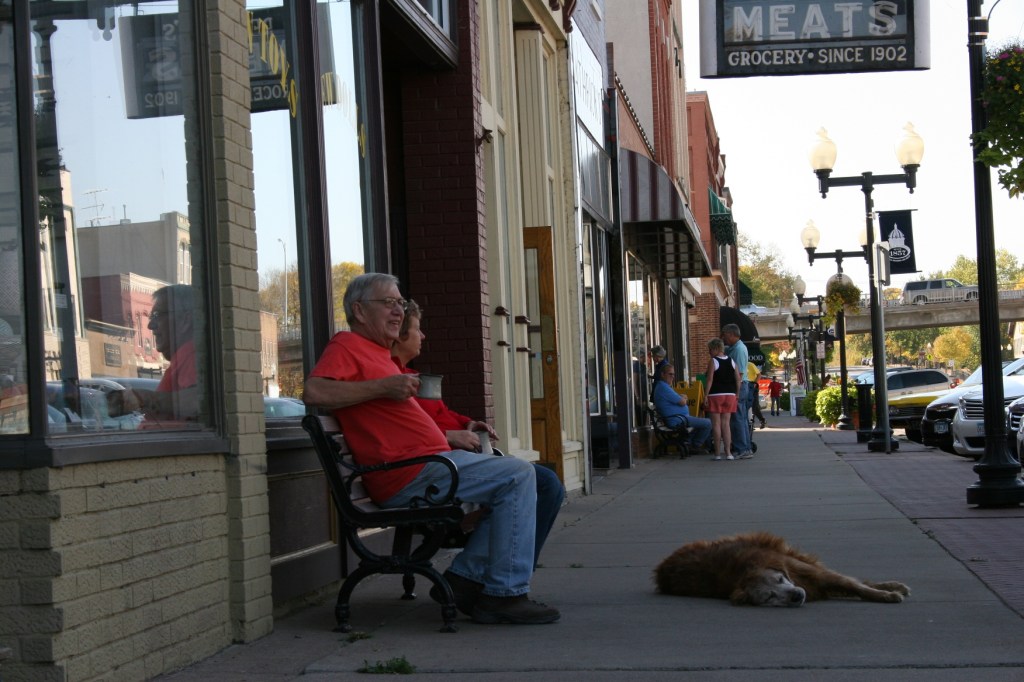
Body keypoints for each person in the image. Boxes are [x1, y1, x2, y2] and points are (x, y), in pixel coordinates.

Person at [303, 273, 559, 625]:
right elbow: (314, 392)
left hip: (429, 466)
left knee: (532, 479)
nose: (398, 311)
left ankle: (467, 578)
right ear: (359, 311)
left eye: (401, 303)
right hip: (407, 474)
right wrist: (382, 387)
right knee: (517, 475)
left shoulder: (379, 353)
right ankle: (504, 593)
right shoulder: (346, 345)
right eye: (388, 303)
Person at [391, 300, 565, 569]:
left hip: (446, 463)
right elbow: (405, 428)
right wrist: (449, 435)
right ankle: (495, 573)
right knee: (541, 483)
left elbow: (442, 413)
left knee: (544, 483)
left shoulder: (414, 376)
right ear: (400, 336)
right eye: (417, 329)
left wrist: (468, 423)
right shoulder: (395, 381)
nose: (423, 336)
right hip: (431, 469)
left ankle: (499, 571)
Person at [127, 284, 199, 426]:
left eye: (157, 315)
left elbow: (197, 402)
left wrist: (141, 398)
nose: (150, 326)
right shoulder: (183, 360)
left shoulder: (192, 357)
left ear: (185, 320)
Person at [651, 363, 712, 452]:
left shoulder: (664, 386)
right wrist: (683, 398)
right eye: (670, 374)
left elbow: (679, 398)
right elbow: (682, 402)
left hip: (680, 418)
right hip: (677, 420)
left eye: (673, 374)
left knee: (698, 423)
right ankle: (695, 446)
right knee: (708, 423)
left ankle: (687, 443)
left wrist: (682, 397)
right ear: (662, 374)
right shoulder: (663, 387)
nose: (673, 376)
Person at [702, 338, 741, 461]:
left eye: (710, 349)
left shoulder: (713, 361)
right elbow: (738, 379)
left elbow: (709, 380)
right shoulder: (732, 361)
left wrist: (705, 395)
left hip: (715, 395)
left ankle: (718, 453)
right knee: (726, 424)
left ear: (716, 348)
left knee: (716, 424)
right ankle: (728, 452)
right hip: (730, 395)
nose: (709, 352)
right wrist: (737, 393)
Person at [721, 324, 753, 458]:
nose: (723, 338)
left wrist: (737, 393)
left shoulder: (739, 350)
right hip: (741, 385)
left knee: (738, 419)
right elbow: (723, 352)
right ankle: (745, 447)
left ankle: (742, 449)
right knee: (741, 418)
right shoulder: (734, 348)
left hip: (739, 385)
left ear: (731, 334)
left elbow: (739, 374)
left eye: (725, 335)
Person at [747, 361, 767, 429]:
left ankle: (762, 420)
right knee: (746, 405)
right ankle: (749, 422)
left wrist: (755, 383)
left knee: (754, 405)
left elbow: (759, 374)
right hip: (744, 385)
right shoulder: (738, 364)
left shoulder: (750, 364)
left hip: (752, 385)